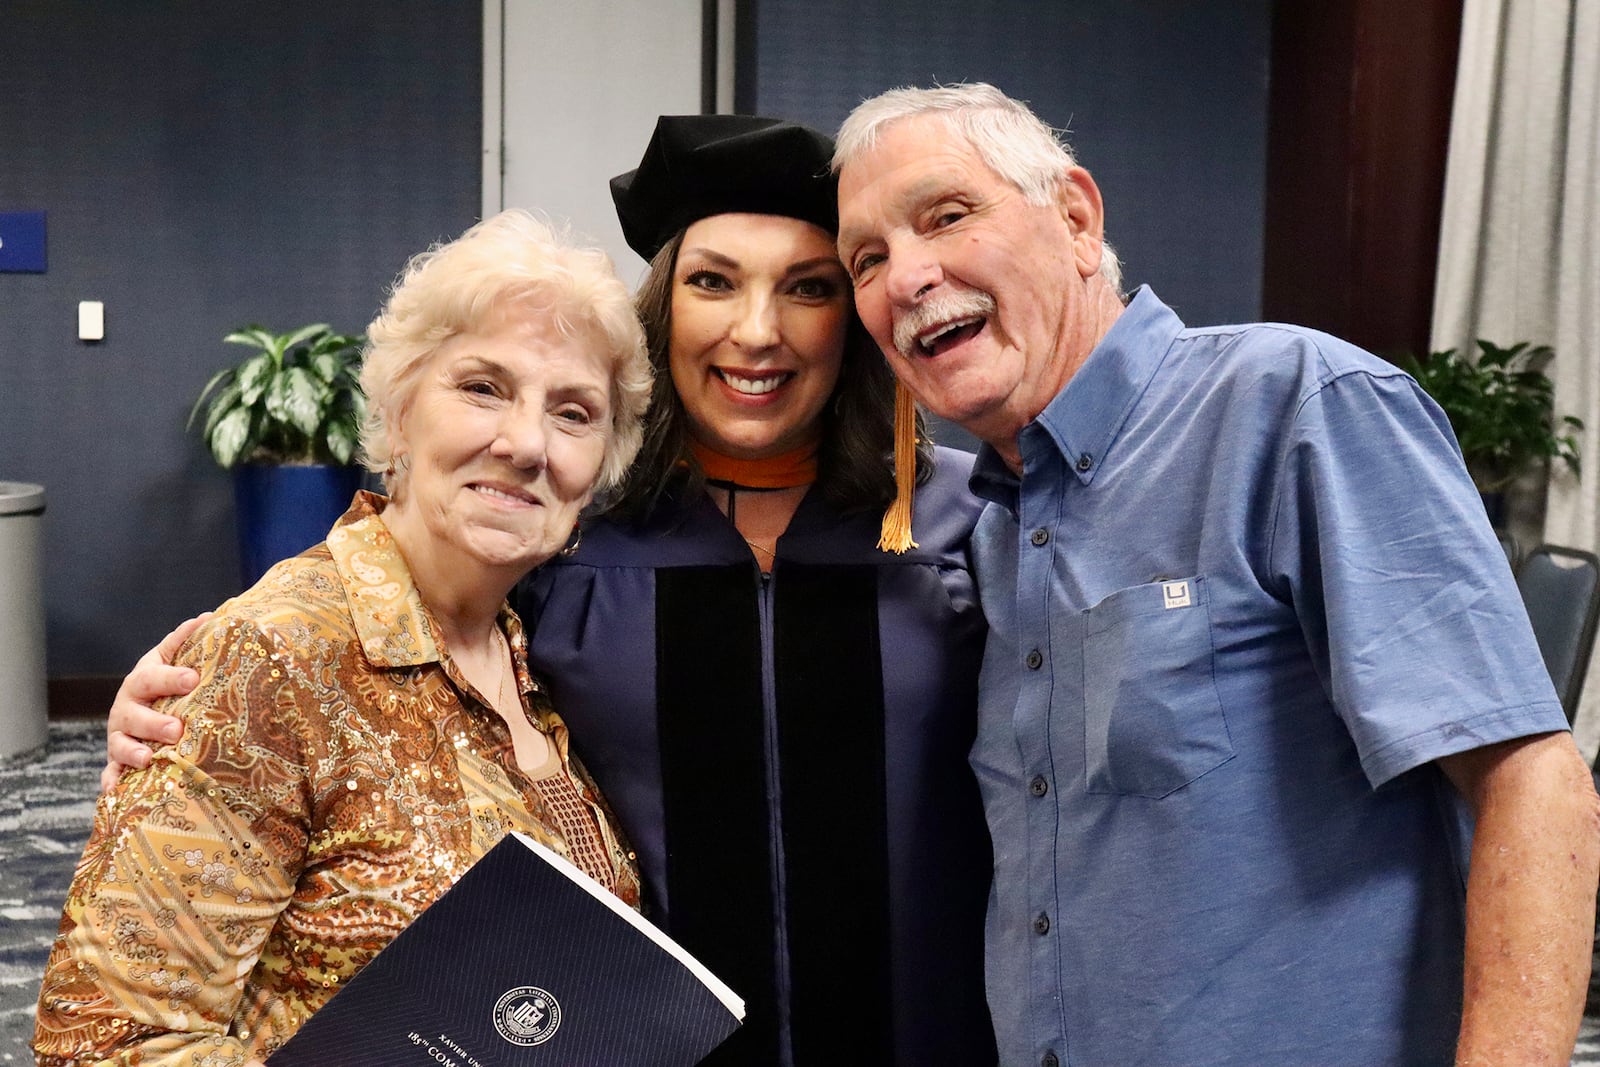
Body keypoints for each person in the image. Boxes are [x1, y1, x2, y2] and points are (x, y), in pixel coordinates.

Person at [99, 116, 997, 1066]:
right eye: (712, 280)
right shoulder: (568, 536)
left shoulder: (967, 523)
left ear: (852, 316)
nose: (756, 329)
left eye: (810, 287)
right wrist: (186, 701)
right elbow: (386, 625)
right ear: (665, 310)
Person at [831, 82, 1600, 1066]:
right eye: (866, 259)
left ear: (1073, 215)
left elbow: (1531, 780)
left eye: (946, 215)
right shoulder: (994, 532)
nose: (906, 275)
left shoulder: (1293, 407)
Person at [35, 209, 649, 1065]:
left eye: (574, 412)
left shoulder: (536, 647)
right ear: (398, 414)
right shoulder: (274, 656)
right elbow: (102, 1043)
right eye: (482, 388)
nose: (524, 443)